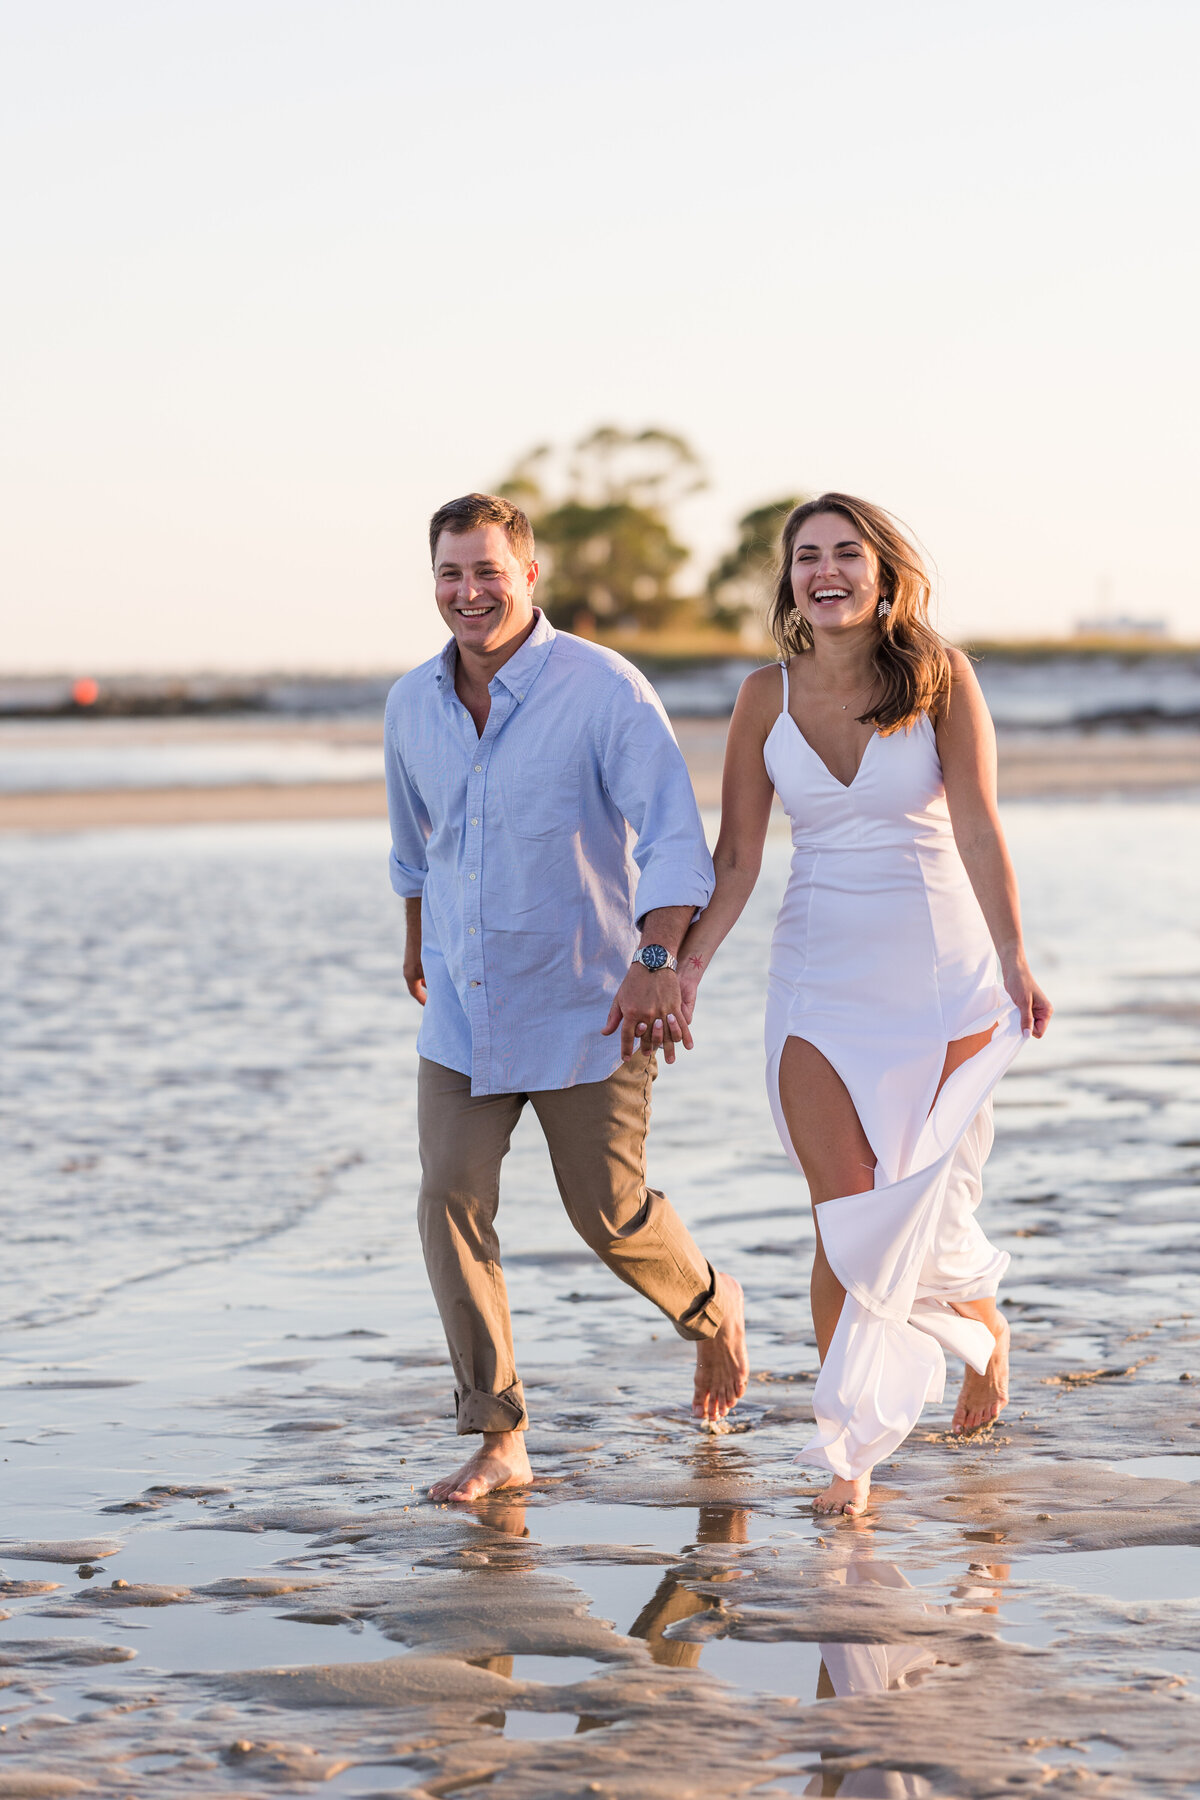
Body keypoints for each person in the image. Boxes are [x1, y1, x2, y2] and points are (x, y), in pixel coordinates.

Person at [678, 494, 1051, 1519]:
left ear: (886, 574)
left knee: (921, 1212)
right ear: (790, 579)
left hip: (941, 972)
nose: (826, 571)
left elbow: (977, 825)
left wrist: (1017, 957)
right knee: (845, 1220)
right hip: (815, 976)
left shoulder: (940, 677)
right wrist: (686, 967)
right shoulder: (763, 696)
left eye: (847, 553)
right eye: (808, 557)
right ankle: (849, 1454)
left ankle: (981, 1334)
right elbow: (740, 859)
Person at [385, 492, 749, 1503]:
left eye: (487, 572)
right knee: (448, 1200)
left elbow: (674, 841)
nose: (468, 593)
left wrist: (658, 960)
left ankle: (714, 1311)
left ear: (528, 576)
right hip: (464, 1006)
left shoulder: (605, 692)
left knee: (609, 1213)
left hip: (595, 1002)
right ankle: (499, 1434)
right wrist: (417, 942)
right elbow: (415, 846)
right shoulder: (411, 703)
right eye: (451, 574)